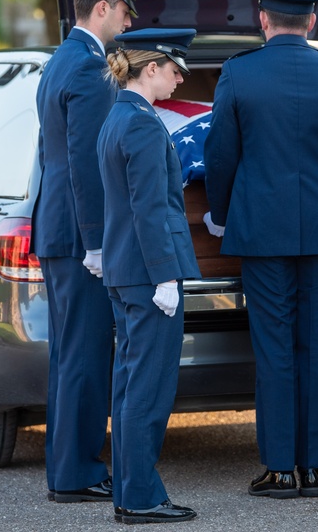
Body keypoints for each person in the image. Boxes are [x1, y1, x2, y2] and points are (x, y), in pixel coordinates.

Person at [202, 0, 318, 499]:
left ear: (263, 20)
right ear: (313, 21)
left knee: (274, 349)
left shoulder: (238, 74)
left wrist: (222, 215)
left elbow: (221, 156)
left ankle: (278, 469)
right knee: (316, 345)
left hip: (261, 232)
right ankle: (313, 467)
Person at [33, 0, 150, 505]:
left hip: (58, 228)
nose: (127, 25)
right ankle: (77, 471)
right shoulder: (89, 68)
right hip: (79, 237)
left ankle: (68, 467)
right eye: (125, 12)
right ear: (102, 8)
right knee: (84, 354)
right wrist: (99, 242)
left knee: (70, 353)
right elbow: (87, 164)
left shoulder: (62, 59)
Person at [97, 28, 201, 524]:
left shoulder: (119, 116)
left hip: (126, 269)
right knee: (148, 388)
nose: (180, 77)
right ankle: (139, 497)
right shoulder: (139, 123)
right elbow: (148, 206)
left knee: (129, 384)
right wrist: (165, 275)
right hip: (146, 273)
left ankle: (128, 491)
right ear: (151, 67)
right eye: (173, 67)